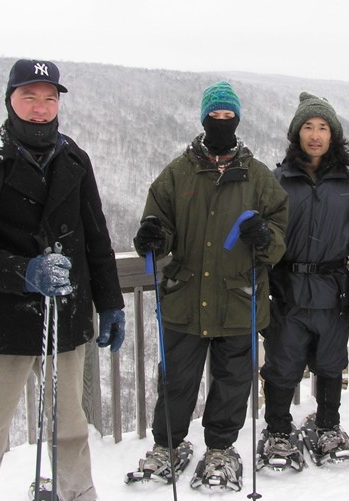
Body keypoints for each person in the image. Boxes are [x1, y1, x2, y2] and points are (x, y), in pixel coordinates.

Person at [0, 59, 126, 501]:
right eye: (30, 97)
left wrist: (110, 302)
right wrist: (24, 272)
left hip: (64, 315)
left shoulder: (75, 160)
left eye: (49, 98)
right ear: (10, 100)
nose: (41, 108)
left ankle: (78, 495)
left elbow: (95, 238)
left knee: (71, 429)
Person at [130, 81, 288, 490]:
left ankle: (221, 448)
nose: (222, 123)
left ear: (238, 119)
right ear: (203, 119)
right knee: (177, 379)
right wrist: (152, 236)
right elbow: (158, 224)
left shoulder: (257, 176)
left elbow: (280, 228)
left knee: (234, 380)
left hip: (239, 297)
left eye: (228, 116)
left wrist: (264, 236)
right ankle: (167, 445)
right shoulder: (178, 173)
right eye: (214, 116)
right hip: (184, 297)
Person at [258, 92, 349, 469]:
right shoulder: (277, 181)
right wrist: (260, 294)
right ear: (297, 134)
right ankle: (278, 429)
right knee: (282, 364)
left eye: (322, 127)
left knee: (330, 363)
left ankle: (328, 425)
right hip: (287, 291)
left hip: (332, 291)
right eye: (308, 127)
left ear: (334, 135)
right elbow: (261, 245)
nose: (315, 135)